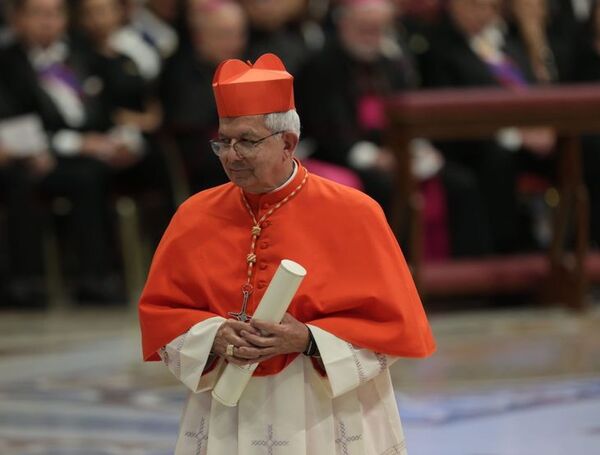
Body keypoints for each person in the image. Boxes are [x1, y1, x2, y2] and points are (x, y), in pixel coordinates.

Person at [138, 53, 435, 454]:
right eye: (223, 141)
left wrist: (309, 339)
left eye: (246, 141)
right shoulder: (194, 215)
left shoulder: (354, 213)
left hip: (324, 407)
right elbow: (164, 315)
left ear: (288, 143)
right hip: (228, 411)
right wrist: (213, 335)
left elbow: (392, 326)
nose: (230, 155)